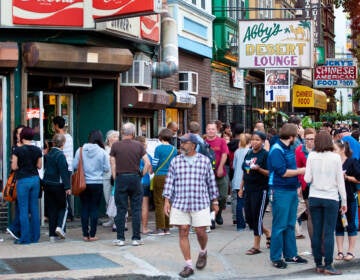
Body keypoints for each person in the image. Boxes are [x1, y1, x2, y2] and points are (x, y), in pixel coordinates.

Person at [163, 133, 219, 278]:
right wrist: (167, 200)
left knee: (200, 231)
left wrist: (215, 201)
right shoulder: (176, 161)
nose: (181, 145)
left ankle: (203, 251)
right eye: (181, 143)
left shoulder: (204, 161)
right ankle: (188, 265)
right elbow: (170, 182)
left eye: (184, 143)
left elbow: (211, 182)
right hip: (180, 202)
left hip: (200, 202)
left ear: (193, 145)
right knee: (183, 230)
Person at [304, 131, 347, 275]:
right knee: (328, 232)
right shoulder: (335, 158)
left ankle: (318, 263)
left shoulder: (311, 156)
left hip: (315, 196)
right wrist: (344, 200)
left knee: (317, 231)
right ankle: (328, 265)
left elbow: (307, 179)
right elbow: (340, 182)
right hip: (331, 197)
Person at [267, 123, 307, 269]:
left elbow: (290, 168)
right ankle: (276, 257)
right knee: (280, 225)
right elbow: (283, 172)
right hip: (280, 190)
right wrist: (301, 171)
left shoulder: (288, 148)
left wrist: (297, 185)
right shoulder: (276, 150)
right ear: (291, 136)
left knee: (290, 224)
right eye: (296, 136)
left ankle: (291, 255)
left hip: (290, 190)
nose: (297, 138)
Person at [111, 122, 151, 246]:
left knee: (121, 209)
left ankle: (120, 238)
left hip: (121, 178)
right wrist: (141, 174)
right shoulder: (139, 145)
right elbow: (148, 163)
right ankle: (136, 238)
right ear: (133, 133)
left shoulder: (116, 146)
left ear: (122, 132)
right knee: (136, 209)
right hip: (135, 178)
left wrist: (115, 177)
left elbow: (112, 163)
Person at [73, 130, 110, 242]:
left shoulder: (80, 150)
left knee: (85, 207)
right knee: (94, 208)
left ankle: (85, 234)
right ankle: (92, 234)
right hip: (97, 183)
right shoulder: (102, 152)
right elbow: (107, 168)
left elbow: (74, 165)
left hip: (83, 183)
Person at [240, 131, 271, 254]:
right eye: (252, 139)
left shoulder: (266, 155)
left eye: (257, 140)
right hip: (248, 188)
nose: (254, 142)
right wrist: (241, 188)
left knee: (257, 217)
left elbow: (270, 173)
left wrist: (259, 169)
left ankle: (256, 246)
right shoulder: (248, 153)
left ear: (263, 142)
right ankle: (268, 232)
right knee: (249, 218)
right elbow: (245, 171)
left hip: (261, 189)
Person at [11, 127, 42, 244]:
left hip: (23, 180)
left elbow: (14, 167)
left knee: (23, 209)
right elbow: (39, 166)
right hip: (35, 179)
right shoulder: (37, 150)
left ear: (22, 137)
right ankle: (35, 237)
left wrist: (22, 165)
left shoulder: (18, 151)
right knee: (34, 208)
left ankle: (25, 238)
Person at [334, 140, 360, 262]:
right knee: (338, 225)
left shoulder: (352, 162)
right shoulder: (333, 162)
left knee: (350, 224)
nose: (333, 152)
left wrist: (347, 177)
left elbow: (358, 179)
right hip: (335, 197)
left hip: (349, 197)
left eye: (335, 150)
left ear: (342, 149)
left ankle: (350, 251)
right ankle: (340, 251)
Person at [42, 134, 71, 242]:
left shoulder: (48, 154)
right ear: (63, 144)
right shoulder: (60, 155)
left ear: (53, 143)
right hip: (58, 185)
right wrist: (67, 187)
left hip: (47, 185)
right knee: (64, 207)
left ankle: (52, 235)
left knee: (52, 209)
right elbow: (63, 172)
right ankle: (60, 227)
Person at [150, 128, 177, 235]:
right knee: (168, 202)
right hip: (170, 177)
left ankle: (160, 227)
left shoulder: (158, 148)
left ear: (160, 137)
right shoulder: (174, 149)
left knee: (159, 202)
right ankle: (168, 227)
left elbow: (155, 163)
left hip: (159, 176)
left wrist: (153, 170)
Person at [205, 122, 229, 226]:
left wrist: (220, 167)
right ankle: (212, 219)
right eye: (209, 129)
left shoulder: (221, 141)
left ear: (216, 130)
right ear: (206, 130)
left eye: (213, 129)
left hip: (220, 174)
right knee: (209, 198)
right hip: (207, 175)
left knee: (223, 196)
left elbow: (224, 154)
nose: (211, 131)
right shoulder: (203, 143)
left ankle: (218, 213)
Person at [295, 128, 316, 241]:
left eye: (312, 139)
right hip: (306, 185)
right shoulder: (299, 150)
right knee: (311, 214)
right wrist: (299, 184)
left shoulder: (319, 150)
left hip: (319, 184)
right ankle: (314, 244)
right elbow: (297, 167)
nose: (309, 141)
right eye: (307, 139)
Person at [53, 116, 74, 221]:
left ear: (56, 125)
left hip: (63, 167)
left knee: (63, 191)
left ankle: (67, 213)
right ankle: (69, 213)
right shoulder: (69, 136)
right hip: (69, 167)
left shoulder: (59, 138)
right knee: (67, 190)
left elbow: (60, 154)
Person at [6, 124, 25, 240]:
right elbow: (14, 166)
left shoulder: (23, 146)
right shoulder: (16, 148)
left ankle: (17, 229)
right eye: (18, 133)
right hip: (19, 179)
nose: (19, 135)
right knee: (21, 206)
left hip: (22, 178)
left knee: (21, 206)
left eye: (21, 133)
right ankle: (14, 228)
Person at [135, 135, 153, 235]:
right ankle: (144, 228)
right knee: (144, 206)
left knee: (135, 206)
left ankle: (135, 228)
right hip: (145, 182)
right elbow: (150, 171)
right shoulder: (147, 155)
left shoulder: (132, 154)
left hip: (134, 181)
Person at [231, 133, 250, 230]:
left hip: (237, 180)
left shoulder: (237, 152)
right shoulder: (250, 152)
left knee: (239, 203)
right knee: (249, 203)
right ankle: (250, 221)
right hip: (247, 180)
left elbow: (234, 166)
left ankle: (240, 224)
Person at [102, 130, 120, 228]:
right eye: (114, 136)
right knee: (107, 198)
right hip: (106, 176)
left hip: (117, 176)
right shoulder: (105, 149)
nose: (117, 138)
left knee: (116, 198)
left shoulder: (120, 148)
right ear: (109, 138)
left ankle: (116, 220)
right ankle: (111, 218)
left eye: (117, 137)